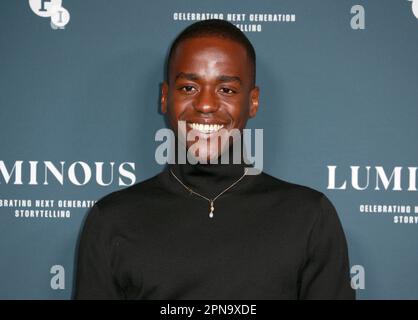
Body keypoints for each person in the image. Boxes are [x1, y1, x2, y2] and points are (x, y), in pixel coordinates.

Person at [74, 19, 355, 300]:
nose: (206, 104)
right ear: (164, 97)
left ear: (253, 102)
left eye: (227, 90)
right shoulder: (111, 220)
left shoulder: (309, 217)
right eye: (188, 88)